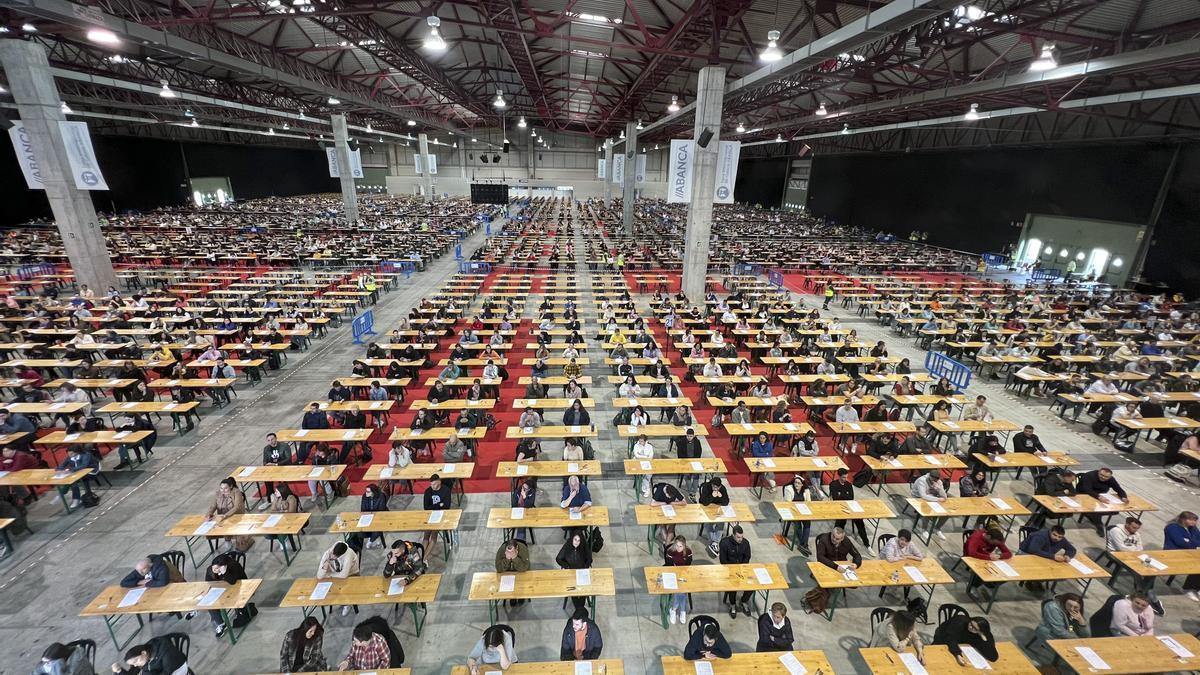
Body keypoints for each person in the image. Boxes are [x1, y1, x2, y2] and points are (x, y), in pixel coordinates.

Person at [1031, 593, 1089, 663]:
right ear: (1064, 601)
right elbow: (1059, 631)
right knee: (1080, 654)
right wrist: (1078, 640)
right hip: (1049, 633)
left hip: (1068, 632)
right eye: (1069, 605)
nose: (1071, 609)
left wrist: (1081, 621)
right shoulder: (1053, 608)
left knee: (1084, 651)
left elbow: (1085, 635)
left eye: (1075, 607)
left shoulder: (1075, 613)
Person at [205, 553, 253, 637]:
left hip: (239, 588)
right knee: (209, 601)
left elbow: (233, 581)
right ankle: (221, 623)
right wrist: (213, 573)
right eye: (214, 568)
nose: (215, 570)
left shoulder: (234, 566)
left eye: (217, 568)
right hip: (223, 589)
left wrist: (224, 572)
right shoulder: (212, 569)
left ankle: (241, 611)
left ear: (224, 566)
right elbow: (208, 582)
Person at [1076, 467, 1128, 535]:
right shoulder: (1089, 475)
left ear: (1110, 477)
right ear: (1098, 472)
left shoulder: (1111, 479)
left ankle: (1090, 515)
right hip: (1084, 494)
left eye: (1106, 477)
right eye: (1101, 475)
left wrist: (1123, 497)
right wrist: (1099, 497)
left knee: (1115, 511)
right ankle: (1098, 524)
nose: (1103, 477)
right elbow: (1087, 489)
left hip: (1101, 495)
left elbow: (1119, 489)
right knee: (1097, 510)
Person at [933, 614, 997, 665]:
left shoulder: (984, 635)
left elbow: (993, 657)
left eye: (974, 628)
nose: (970, 627)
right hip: (943, 639)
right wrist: (957, 654)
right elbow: (951, 639)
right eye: (971, 624)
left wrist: (984, 639)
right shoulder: (960, 623)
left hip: (963, 648)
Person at [317, 541, 360, 617]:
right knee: (327, 588)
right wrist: (324, 568)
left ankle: (347, 603)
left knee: (344, 589)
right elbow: (319, 576)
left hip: (352, 574)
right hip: (336, 575)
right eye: (332, 554)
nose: (332, 557)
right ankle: (335, 601)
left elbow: (344, 575)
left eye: (335, 556)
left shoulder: (348, 554)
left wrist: (330, 574)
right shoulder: (328, 554)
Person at [1164, 510, 1200, 600]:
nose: (1194, 522)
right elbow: (1180, 542)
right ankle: (1187, 589)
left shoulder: (1193, 528)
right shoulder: (1172, 527)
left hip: (1190, 553)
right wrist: (1193, 543)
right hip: (1173, 554)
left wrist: (1189, 541)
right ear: (1184, 519)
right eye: (1192, 520)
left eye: (1195, 520)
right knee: (1197, 565)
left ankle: (1197, 588)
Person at [829, 468, 870, 547]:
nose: (845, 479)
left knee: (860, 522)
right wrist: (845, 495)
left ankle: (867, 544)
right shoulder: (833, 484)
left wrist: (841, 494)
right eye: (844, 477)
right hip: (840, 508)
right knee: (840, 522)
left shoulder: (848, 484)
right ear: (839, 476)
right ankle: (835, 541)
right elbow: (835, 498)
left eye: (846, 477)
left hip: (850, 507)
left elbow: (851, 497)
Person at [965, 527, 1013, 593]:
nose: (995, 545)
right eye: (994, 543)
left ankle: (989, 585)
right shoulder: (976, 538)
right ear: (988, 537)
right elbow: (972, 553)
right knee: (983, 570)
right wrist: (989, 557)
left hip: (986, 558)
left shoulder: (996, 540)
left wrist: (999, 556)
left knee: (1007, 573)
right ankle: (973, 585)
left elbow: (1008, 553)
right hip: (971, 557)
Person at [719, 526, 753, 618]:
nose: (740, 539)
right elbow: (722, 560)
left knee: (752, 585)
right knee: (733, 586)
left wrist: (742, 567)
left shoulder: (745, 543)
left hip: (742, 568)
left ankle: (744, 601)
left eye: (741, 537)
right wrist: (733, 569)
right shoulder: (724, 543)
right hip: (729, 569)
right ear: (733, 535)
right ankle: (733, 605)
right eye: (738, 537)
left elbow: (747, 556)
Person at [556, 529, 593, 612]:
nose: (577, 542)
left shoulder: (583, 546)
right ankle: (580, 610)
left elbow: (589, 559)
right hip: (571, 572)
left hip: (582, 572)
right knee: (574, 591)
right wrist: (567, 566)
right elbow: (558, 559)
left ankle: (580, 609)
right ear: (572, 539)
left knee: (583, 591)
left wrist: (585, 567)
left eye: (579, 540)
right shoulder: (567, 546)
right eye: (575, 540)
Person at [110, 637, 188, 675]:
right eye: (133, 664)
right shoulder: (144, 656)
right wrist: (119, 671)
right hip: (159, 669)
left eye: (135, 661)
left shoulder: (165, 652)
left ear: (143, 653)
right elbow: (132, 672)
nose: (135, 665)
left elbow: (167, 672)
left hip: (177, 669)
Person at [697, 477, 730, 557]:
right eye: (713, 486)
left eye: (716, 487)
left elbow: (726, 502)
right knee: (708, 524)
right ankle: (715, 542)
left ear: (719, 486)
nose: (715, 488)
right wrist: (712, 496)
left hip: (717, 508)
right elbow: (704, 502)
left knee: (721, 523)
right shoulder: (706, 487)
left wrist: (721, 496)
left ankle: (714, 542)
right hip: (706, 508)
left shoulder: (722, 488)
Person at [664, 535, 692, 625]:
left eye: (681, 546)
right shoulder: (670, 551)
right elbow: (668, 565)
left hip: (684, 574)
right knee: (680, 591)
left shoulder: (688, 552)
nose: (678, 548)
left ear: (684, 546)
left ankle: (674, 609)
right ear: (674, 544)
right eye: (677, 545)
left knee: (681, 591)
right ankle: (682, 610)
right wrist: (676, 570)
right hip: (672, 573)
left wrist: (681, 572)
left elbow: (688, 565)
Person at [672, 427, 703, 497]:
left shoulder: (697, 442)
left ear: (693, 436)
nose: (689, 437)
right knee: (687, 475)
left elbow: (699, 452)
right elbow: (679, 454)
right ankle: (690, 491)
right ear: (686, 435)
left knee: (696, 474)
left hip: (694, 461)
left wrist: (694, 460)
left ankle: (694, 491)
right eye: (688, 436)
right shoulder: (681, 442)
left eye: (691, 436)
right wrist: (686, 461)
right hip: (685, 461)